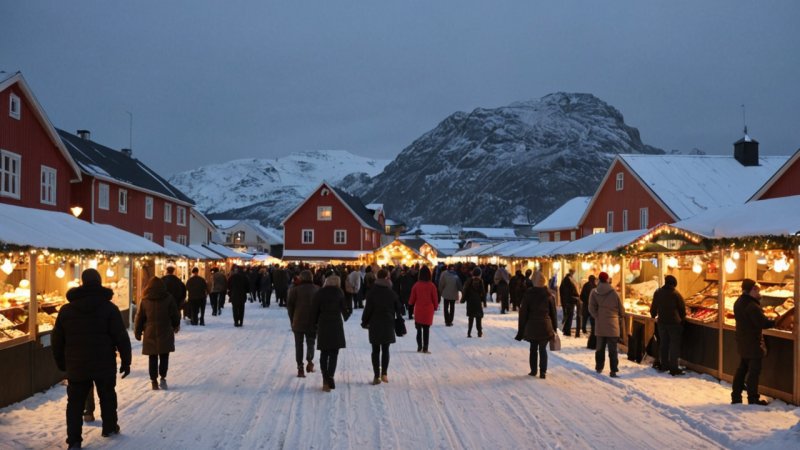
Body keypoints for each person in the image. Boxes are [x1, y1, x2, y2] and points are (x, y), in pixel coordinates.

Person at [52, 269, 131, 448]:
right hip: (104, 362)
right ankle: (109, 427)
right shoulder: (110, 308)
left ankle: (74, 440)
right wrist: (126, 361)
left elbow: (57, 339)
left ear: (82, 282)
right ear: (99, 282)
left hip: (77, 364)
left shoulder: (66, 310)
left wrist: (62, 363)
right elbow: (121, 337)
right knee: (107, 395)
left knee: (75, 403)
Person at [731, 279, 776, 405]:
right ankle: (753, 398)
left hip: (742, 340)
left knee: (742, 369)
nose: (758, 292)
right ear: (752, 290)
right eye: (757, 290)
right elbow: (763, 323)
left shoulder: (738, 302)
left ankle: (736, 396)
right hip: (752, 342)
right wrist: (776, 321)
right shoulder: (752, 306)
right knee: (754, 371)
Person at [134, 277, 180, 390]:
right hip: (165, 330)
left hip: (150, 332)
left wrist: (137, 331)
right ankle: (163, 377)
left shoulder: (145, 300)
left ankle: (153, 381)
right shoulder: (168, 298)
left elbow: (139, 317)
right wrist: (176, 325)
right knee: (164, 355)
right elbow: (175, 314)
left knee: (152, 357)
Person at [361, 269, 402, 385]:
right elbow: (399, 308)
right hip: (388, 323)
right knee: (385, 349)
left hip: (374, 323)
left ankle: (376, 376)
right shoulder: (391, 292)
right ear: (386, 278)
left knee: (375, 350)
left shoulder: (372, 292)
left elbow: (368, 309)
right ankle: (384, 374)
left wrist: (364, 321)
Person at [516, 270, 558, 379]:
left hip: (532, 326)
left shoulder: (528, 294)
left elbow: (523, 313)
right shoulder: (549, 295)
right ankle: (543, 372)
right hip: (545, 326)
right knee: (543, 349)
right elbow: (553, 313)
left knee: (533, 348)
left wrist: (521, 330)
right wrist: (554, 328)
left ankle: (533, 370)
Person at [312, 275, 351, 392]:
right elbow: (345, 313)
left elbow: (314, 310)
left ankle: (325, 379)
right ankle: (330, 376)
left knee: (324, 352)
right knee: (334, 352)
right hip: (336, 324)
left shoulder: (320, 293)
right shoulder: (340, 293)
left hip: (323, 323)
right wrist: (348, 311)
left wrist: (314, 324)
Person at [589, 272, 626, 378]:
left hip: (600, 324)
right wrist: (619, 315)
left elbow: (591, 308)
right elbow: (621, 310)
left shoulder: (594, 292)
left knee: (600, 348)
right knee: (612, 349)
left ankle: (599, 367)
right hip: (613, 325)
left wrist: (598, 316)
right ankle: (613, 370)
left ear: (599, 279)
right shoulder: (614, 293)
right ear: (607, 280)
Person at [649, 275, 686, 376]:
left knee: (664, 344)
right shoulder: (676, 294)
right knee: (674, 345)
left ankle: (664, 365)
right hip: (674, 323)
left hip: (662, 322)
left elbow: (654, 306)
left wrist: (653, 315)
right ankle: (673, 368)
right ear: (674, 284)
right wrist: (682, 319)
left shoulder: (658, 292)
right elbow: (682, 309)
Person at [288, 270, 319, 377]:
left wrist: (292, 319)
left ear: (301, 278)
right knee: (311, 343)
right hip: (312, 322)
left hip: (298, 321)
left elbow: (290, 307)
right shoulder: (317, 289)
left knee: (298, 345)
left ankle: (300, 367)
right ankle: (310, 361)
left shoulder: (295, 290)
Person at [409, 266, 439, 353]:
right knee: (426, 330)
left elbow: (411, 299)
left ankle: (419, 346)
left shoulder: (416, 285)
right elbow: (435, 298)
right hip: (428, 310)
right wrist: (435, 306)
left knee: (418, 330)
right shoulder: (432, 286)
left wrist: (410, 304)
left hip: (418, 310)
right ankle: (425, 348)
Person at [461, 267, 485, 338]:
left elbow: (465, 291)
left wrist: (463, 299)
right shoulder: (480, 281)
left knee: (471, 318)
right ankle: (479, 332)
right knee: (478, 318)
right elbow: (483, 292)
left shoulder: (469, 281)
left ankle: (469, 332)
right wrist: (484, 301)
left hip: (470, 301)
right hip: (478, 301)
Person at [559, 268, 581, 337]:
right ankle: (566, 330)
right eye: (573, 272)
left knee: (569, 315)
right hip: (569, 301)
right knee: (569, 315)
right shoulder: (567, 280)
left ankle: (566, 330)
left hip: (569, 300)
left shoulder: (569, 279)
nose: (573, 273)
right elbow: (567, 292)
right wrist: (573, 297)